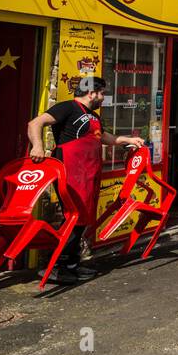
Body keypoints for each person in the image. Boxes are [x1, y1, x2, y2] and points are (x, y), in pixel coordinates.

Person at [26, 77, 146, 284]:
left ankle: (72, 265)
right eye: (102, 93)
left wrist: (127, 140)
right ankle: (59, 267)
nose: (103, 97)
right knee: (73, 217)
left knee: (81, 219)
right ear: (92, 92)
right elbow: (35, 123)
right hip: (71, 173)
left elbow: (102, 137)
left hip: (87, 173)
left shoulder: (93, 116)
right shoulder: (68, 108)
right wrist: (37, 146)